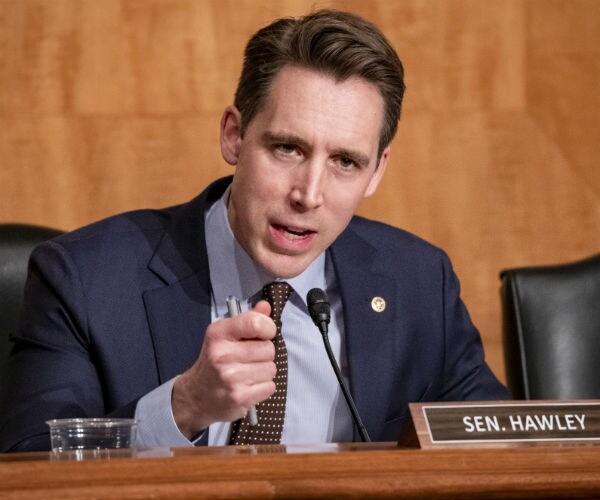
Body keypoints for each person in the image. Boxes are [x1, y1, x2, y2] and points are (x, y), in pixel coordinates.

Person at [0, 9, 509, 452]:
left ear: (377, 171)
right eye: (288, 148)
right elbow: (28, 465)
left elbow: (500, 447)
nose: (308, 194)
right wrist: (181, 408)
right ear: (234, 136)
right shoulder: (86, 278)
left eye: (346, 162)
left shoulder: (419, 282)